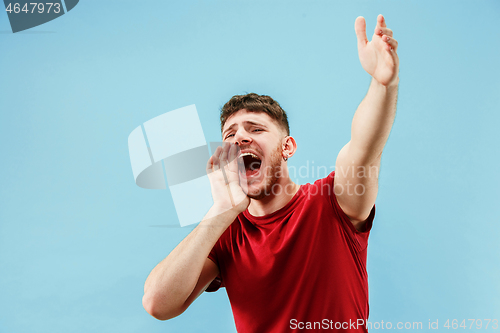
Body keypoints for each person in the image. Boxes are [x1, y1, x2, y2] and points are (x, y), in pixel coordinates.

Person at [142, 14, 399, 332]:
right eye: (230, 134)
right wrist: (220, 211)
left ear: (288, 147)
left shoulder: (332, 201)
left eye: (255, 129)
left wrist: (382, 84)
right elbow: (157, 304)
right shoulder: (226, 233)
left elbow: (364, 149)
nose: (239, 138)